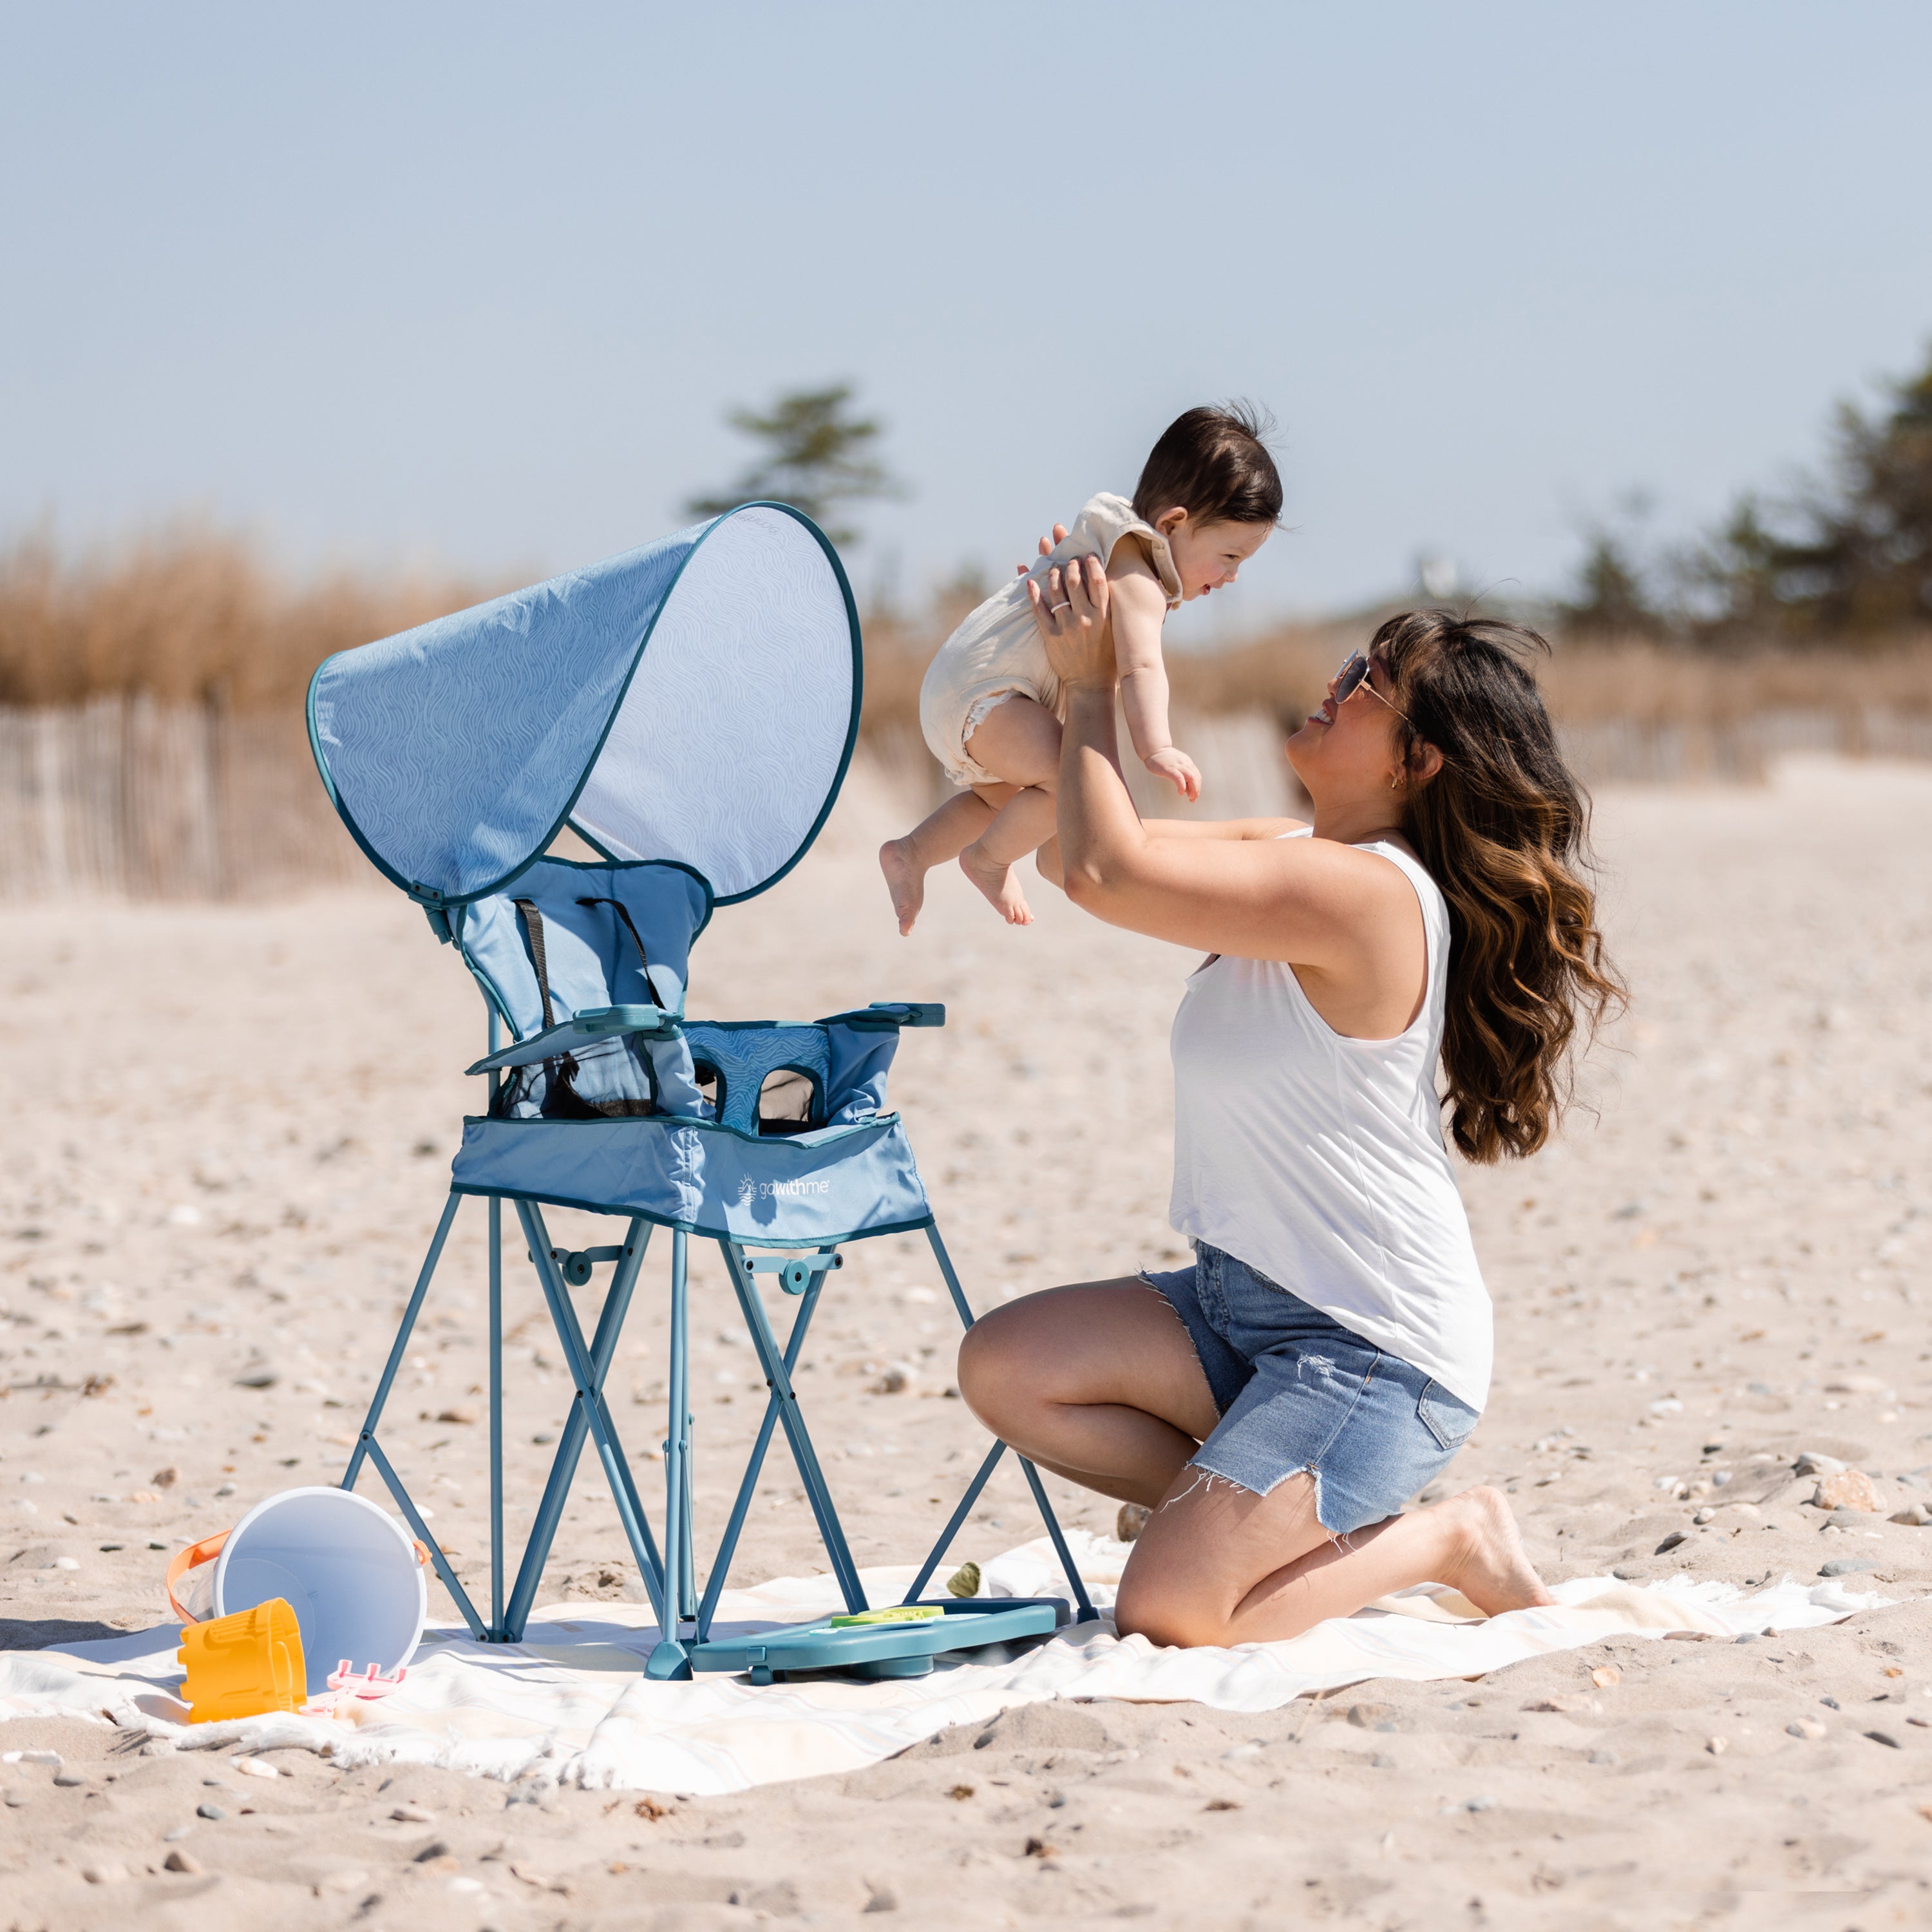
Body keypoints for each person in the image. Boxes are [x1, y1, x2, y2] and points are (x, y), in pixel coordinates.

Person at [957, 564, 1625, 1645]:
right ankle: (1248, 1515)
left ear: (1419, 761)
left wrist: (1093, 688)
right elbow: (1077, 841)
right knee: (1009, 1366)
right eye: (1353, 662)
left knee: (1171, 1611)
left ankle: (1451, 1536)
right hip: (1243, 1308)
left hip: (1374, 1350)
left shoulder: (1369, 896)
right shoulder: (1294, 852)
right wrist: (1065, 654)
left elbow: (1105, 876)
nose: (1337, 680)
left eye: (1369, 683)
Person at [879, 406, 1281, 934]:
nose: (1232, 576)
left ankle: (911, 852)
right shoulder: (1139, 579)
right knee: (1066, 780)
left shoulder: (1108, 540)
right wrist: (1156, 746)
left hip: (960, 689)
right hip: (987, 695)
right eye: (1229, 556)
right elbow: (1141, 667)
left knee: (1003, 798)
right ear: (1172, 524)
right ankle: (988, 860)